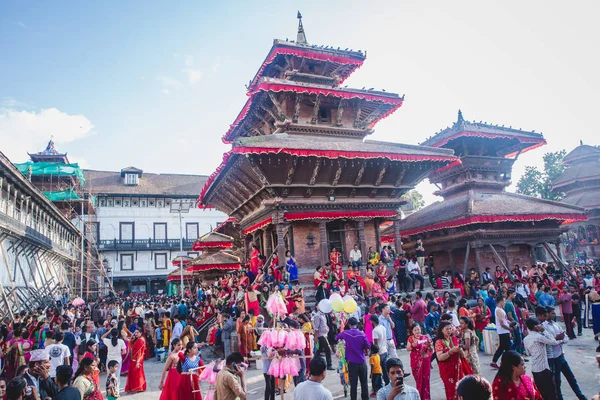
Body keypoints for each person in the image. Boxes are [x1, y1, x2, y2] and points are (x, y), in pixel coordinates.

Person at [543, 307, 586, 400]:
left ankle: (581, 397)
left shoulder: (556, 324)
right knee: (557, 382)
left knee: (571, 378)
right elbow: (550, 342)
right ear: (547, 314)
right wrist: (558, 339)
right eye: (552, 313)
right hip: (553, 358)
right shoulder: (544, 327)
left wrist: (558, 339)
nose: (554, 315)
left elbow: (565, 338)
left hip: (560, 355)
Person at [523, 317, 559, 400]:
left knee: (541, 393)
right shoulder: (539, 337)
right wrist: (544, 331)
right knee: (551, 394)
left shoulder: (526, 339)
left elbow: (528, 353)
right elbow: (553, 341)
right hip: (543, 369)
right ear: (535, 326)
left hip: (535, 369)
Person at [336, 317, 370, 400]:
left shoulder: (346, 333)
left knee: (353, 384)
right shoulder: (362, 334)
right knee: (364, 383)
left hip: (352, 362)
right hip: (362, 361)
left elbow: (337, 337)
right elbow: (368, 346)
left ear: (349, 324)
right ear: (357, 324)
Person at [435, 320, 471, 400]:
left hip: (458, 368)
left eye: (450, 329)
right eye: (447, 329)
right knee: (451, 390)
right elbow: (440, 357)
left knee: (461, 389)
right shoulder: (439, 342)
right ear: (441, 330)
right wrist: (450, 351)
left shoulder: (454, 339)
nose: (449, 331)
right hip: (447, 370)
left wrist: (461, 350)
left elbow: (463, 355)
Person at [406, 324, 432, 400]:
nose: (417, 331)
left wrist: (429, 345)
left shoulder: (426, 337)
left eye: (418, 329)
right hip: (415, 363)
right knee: (418, 381)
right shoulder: (411, 338)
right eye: (415, 330)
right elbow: (408, 348)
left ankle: (427, 398)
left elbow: (430, 350)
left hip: (425, 361)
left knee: (426, 381)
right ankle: (419, 397)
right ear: (412, 331)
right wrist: (413, 345)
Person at [491, 296, 513, 369]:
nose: (505, 302)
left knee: (503, 347)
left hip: (504, 331)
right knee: (507, 348)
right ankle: (505, 363)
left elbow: (504, 320)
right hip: (503, 331)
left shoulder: (501, 309)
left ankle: (496, 361)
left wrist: (509, 323)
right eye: (504, 301)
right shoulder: (498, 310)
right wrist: (509, 328)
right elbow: (502, 323)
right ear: (500, 301)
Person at [125, 329, 146, 393]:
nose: (136, 334)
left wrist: (137, 362)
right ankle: (134, 387)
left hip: (137, 359)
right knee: (134, 373)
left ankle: (138, 387)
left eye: (137, 332)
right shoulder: (138, 339)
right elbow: (130, 342)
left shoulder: (140, 340)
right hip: (134, 359)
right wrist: (132, 334)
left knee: (137, 374)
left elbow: (139, 352)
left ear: (141, 332)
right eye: (135, 332)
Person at [313, 304, 334, 370]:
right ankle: (329, 365)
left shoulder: (324, 314)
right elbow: (316, 327)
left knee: (319, 350)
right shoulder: (317, 315)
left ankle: (314, 361)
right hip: (321, 335)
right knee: (328, 349)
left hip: (325, 334)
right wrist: (316, 337)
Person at [370, 315, 389, 386]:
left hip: (379, 352)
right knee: (385, 369)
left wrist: (373, 353)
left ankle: (379, 385)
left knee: (378, 370)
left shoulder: (375, 330)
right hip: (385, 350)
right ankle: (387, 382)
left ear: (373, 321)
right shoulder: (382, 327)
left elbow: (375, 343)